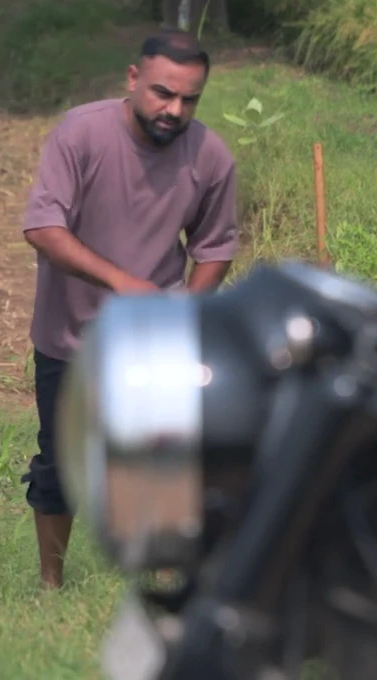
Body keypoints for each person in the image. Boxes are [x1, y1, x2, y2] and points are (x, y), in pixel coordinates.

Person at [17, 30, 242, 589]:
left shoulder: (210, 155)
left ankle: (159, 583)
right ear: (133, 78)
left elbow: (215, 246)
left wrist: (186, 311)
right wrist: (120, 281)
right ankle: (50, 583)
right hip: (71, 335)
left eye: (189, 99)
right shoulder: (81, 132)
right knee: (61, 461)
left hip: (154, 341)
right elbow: (43, 227)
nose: (175, 110)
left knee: (160, 462)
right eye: (163, 93)